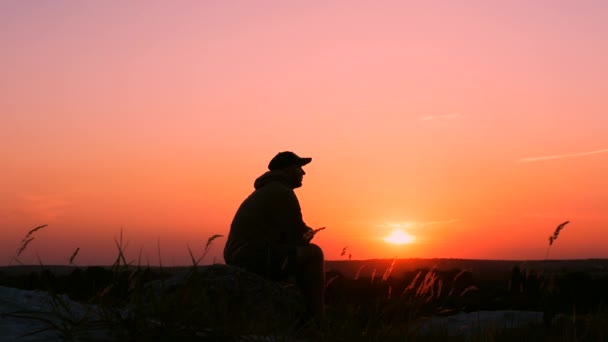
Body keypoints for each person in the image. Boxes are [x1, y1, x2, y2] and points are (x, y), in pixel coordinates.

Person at [224, 151, 325, 321]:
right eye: (299, 167)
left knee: (293, 255)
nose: (303, 172)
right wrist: (310, 233)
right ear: (287, 169)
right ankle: (317, 317)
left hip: (241, 255)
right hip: (250, 257)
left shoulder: (268, 190)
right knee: (314, 253)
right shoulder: (282, 192)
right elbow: (298, 237)